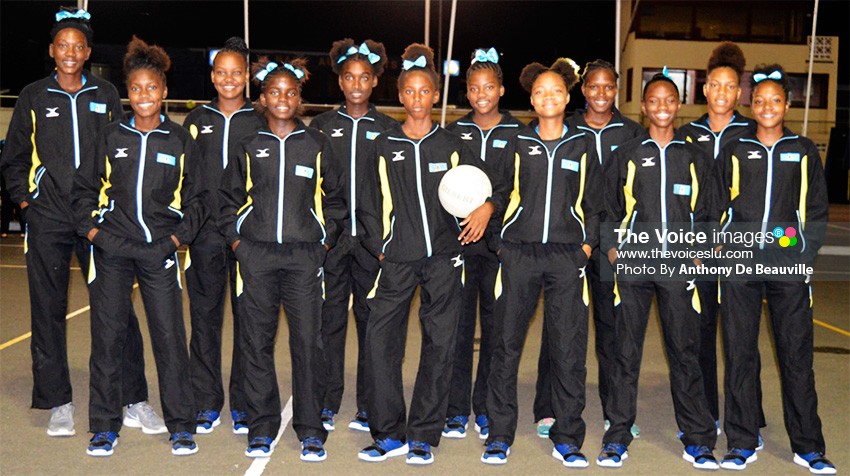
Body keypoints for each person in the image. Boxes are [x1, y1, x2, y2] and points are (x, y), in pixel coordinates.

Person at [0, 8, 163, 438]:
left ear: (88, 52)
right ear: (53, 51)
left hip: (98, 221)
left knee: (117, 310)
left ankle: (133, 398)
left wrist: (116, 207)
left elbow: (121, 149)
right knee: (47, 311)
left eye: (78, 46)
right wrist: (27, 203)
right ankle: (58, 401)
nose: (70, 52)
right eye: (63, 45)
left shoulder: (105, 93)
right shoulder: (33, 96)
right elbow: (14, 158)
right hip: (48, 219)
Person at [356, 43, 501, 465]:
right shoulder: (384, 145)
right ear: (400, 96)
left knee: (440, 344)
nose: (417, 98)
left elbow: (485, 187)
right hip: (396, 259)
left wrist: (488, 207)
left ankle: (422, 434)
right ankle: (388, 433)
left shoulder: (451, 144)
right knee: (380, 341)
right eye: (410, 91)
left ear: (435, 96)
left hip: (444, 258)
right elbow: (368, 203)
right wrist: (382, 248)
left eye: (425, 91)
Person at [72, 36, 206, 457]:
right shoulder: (111, 135)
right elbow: (82, 192)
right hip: (112, 249)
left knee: (170, 337)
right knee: (107, 338)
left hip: (158, 252)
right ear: (127, 93)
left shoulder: (179, 140)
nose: (144, 94)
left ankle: (181, 426)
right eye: (136, 88)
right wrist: (95, 234)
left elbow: (198, 200)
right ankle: (104, 426)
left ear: (164, 91)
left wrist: (175, 240)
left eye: (151, 87)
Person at [710, 64, 835, 474]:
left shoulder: (803, 150)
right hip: (740, 264)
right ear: (751, 104)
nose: (767, 106)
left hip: (787, 266)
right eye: (760, 100)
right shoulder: (735, 148)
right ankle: (742, 441)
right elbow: (717, 204)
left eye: (775, 100)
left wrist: (802, 254)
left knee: (796, 356)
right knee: (740, 354)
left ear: (786, 105)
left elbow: (815, 211)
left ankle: (808, 446)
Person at [219, 56, 345, 462]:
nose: (283, 98)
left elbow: (336, 201)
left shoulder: (317, 144)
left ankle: (310, 429)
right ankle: (261, 426)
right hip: (255, 257)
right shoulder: (247, 145)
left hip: (304, 259)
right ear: (263, 98)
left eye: (290, 92)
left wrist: (322, 243)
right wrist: (238, 243)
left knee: (308, 344)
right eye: (275, 92)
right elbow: (227, 201)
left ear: (299, 98)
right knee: (256, 343)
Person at [481, 58, 600, 468]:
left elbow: (595, 203)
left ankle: (567, 437)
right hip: (519, 254)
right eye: (540, 92)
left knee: (568, 350)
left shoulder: (583, 145)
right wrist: (500, 244)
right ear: (531, 100)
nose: (548, 97)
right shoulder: (517, 142)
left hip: (567, 258)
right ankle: (499, 435)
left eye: (555, 91)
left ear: (567, 98)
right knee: (505, 346)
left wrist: (586, 247)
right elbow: (497, 195)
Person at [597, 71, 719, 470]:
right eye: (654, 100)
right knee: (625, 352)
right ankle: (617, 435)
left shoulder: (695, 157)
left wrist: (700, 252)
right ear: (645, 107)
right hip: (634, 265)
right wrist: (613, 249)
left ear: (678, 105)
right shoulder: (627, 154)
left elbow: (710, 212)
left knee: (685, 351)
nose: (662, 106)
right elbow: (608, 208)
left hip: (679, 266)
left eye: (669, 100)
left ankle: (697, 438)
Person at [534, 59, 643, 439]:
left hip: (612, 242)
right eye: (593, 86)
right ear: (582, 90)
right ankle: (548, 409)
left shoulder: (631, 132)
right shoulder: (567, 126)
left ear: (616, 90)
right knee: (558, 328)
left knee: (613, 329)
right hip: (571, 242)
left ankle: (617, 412)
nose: (600, 93)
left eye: (608, 86)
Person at [309, 38, 397, 433]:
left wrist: (386, 238)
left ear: (375, 81)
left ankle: (367, 404)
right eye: (350, 77)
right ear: (340, 81)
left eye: (364, 77)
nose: (357, 84)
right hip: (332, 243)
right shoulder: (322, 126)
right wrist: (323, 233)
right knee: (329, 323)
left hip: (373, 245)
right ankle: (328, 401)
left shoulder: (388, 128)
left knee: (371, 325)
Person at [678, 42, 762, 441]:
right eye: (716, 85)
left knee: (742, 339)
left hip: (738, 249)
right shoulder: (686, 135)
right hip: (697, 251)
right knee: (699, 333)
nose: (723, 92)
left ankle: (748, 417)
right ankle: (707, 413)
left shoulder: (752, 132)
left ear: (739, 92)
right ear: (705, 89)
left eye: (731, 86)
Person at [182, 36, 265, 435]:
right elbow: (185, 175)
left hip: (247, 238)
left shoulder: (260, 120)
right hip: (205, 237)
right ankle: (205, 401)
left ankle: (244, 404)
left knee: (249, 322)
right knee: (204, 321)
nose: (228, 79)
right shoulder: (196, 120)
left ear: (246, 76)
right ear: (213, 76)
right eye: (221, 72)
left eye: (236, 72)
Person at [441, 47, 522, 441]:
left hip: (500, 246)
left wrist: (491, 207)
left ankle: (487, 407)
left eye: (489, 87)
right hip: (460, 244)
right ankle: (456, 409)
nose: (481, 94)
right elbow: (445, 186)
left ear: (501, 90)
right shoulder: (453, 133)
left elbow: (520, 185)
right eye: (474, 88)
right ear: (467, 92)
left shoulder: (519, 133)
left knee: (495, 330)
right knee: (457, 328)